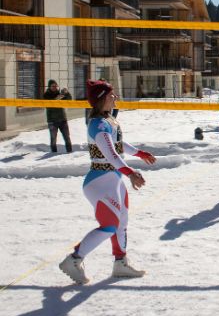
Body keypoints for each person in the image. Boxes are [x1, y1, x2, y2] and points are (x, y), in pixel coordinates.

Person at [59, 80, 156, 285]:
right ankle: (73, 260)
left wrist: (139, 153)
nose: (116, 97)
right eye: (112, 95)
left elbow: (119, 145)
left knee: (122, 222)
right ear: (102, 98)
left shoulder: (108, 120)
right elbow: (111, 154)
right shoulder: (98, 124)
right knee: (110, 226)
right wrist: (130, 173)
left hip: (113, 179)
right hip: (100, 181)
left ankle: (120, 263)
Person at [43, 79, 73, 153]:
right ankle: (53, 153)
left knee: (67, 137)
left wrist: (67, 93)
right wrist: (56, 99)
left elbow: (69, 100)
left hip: (63, 119)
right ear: (49, 87)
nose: (55, 87)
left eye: (56, 86)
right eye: (53, 86)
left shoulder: (60, 94)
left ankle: (70, 152)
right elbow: (49, 105)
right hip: (52, 121)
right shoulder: (46, 95)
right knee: (53, 139)